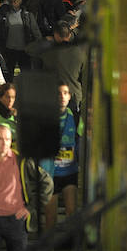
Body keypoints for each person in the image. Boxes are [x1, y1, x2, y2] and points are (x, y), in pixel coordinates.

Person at [43, 82, 83, 235]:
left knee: (71, 214)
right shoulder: (46, 118)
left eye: (65, 93)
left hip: (69, 173)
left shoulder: (75, 116)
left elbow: (80, 139)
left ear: (70, 96)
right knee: (50, 218)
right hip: (50, 174)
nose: (62, 96)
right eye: (58, 93)